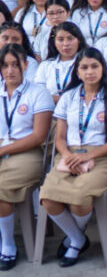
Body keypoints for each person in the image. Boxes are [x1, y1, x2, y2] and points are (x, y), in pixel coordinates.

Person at [39, 48, 107, 267]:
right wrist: (69, 155)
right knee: (48, 197)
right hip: (69, 155)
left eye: (95, 66)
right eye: (84, 67)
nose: (90, 72)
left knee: (79, 198)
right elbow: (60, 137)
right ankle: (78, 238)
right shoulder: (68, 97)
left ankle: (73, 242)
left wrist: (89, 156)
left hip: (101, 158)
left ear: (103, 69)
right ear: (77, 71)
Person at [0, 44, 54, 271]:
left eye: (15, 65)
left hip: (26, 153)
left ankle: (8, 245)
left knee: (1, 189)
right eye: (5, 66)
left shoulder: (38, 93)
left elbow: (39, 136)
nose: (10, 70)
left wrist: (3, 150)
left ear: (25, 65)